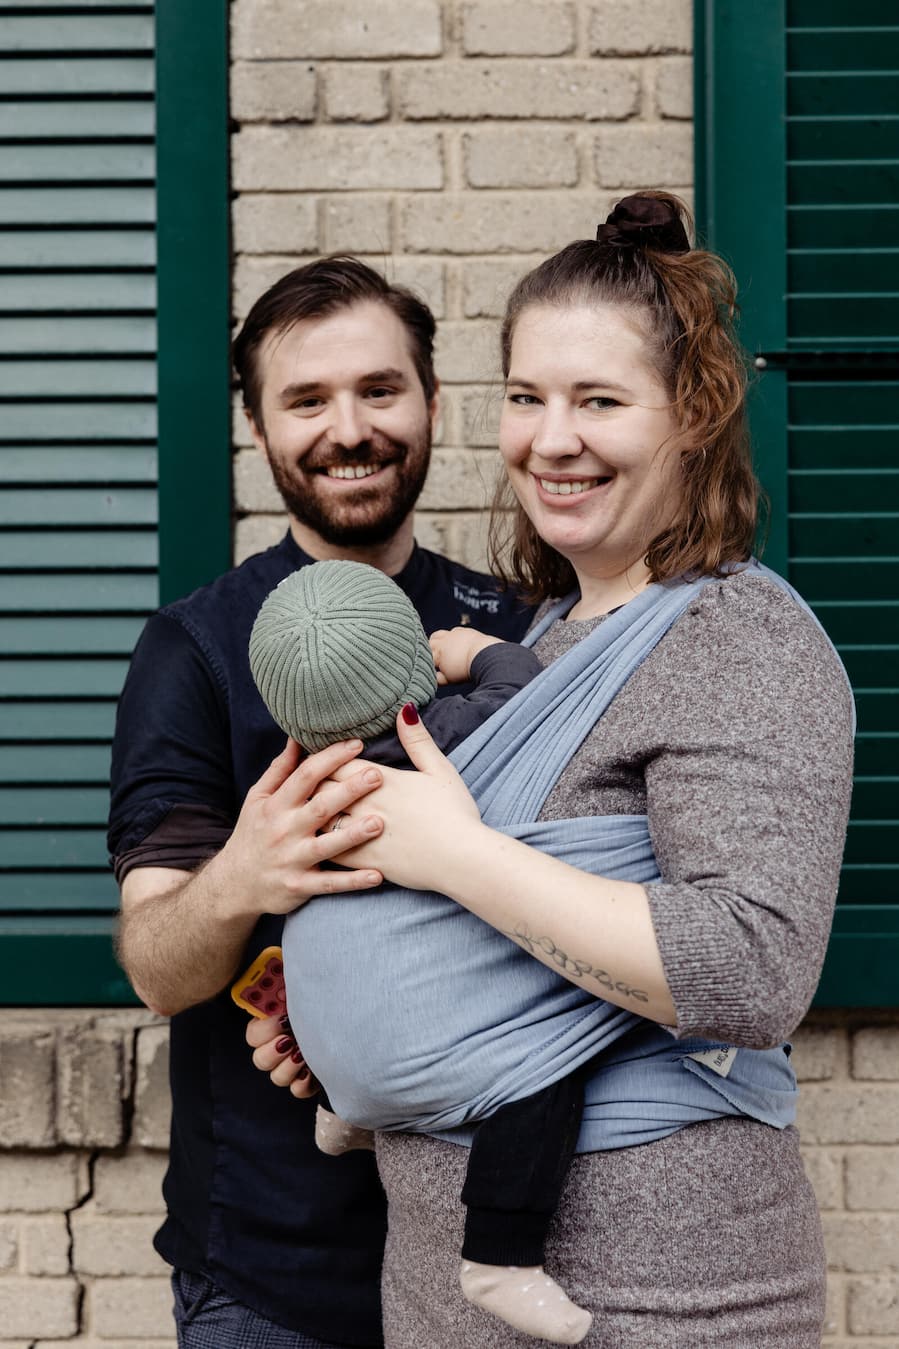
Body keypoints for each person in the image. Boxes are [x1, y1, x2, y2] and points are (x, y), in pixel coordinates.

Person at [249, 193, 855, 1348]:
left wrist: (456, 856)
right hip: (439, 1302)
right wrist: (347, 1015)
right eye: (527, 397)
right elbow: (505, 967)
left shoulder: (736, 636)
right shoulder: (551, 636)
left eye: (598, 401)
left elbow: (751, 968)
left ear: (693, 413)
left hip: (660, 1305)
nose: (551, 439)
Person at [106, 257, 532, 1349]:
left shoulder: (517, 630)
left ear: (433, 402)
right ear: (257, 428)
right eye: (307, 400)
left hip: (504, 1247)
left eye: (380, 389)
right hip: (272, 1276)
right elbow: (157, 967)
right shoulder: (194, 648)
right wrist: (245, 871)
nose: (350, 429)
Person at [246, 558, 592, 1343]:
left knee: (327, 963)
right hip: (430, 1019)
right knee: (546, 1055)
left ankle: (339, 1108)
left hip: (339, 1035)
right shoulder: (453, 731)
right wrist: (471, 649)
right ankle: (500, 1253)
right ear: (411, 667)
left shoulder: (300, 792)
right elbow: (523, 680)